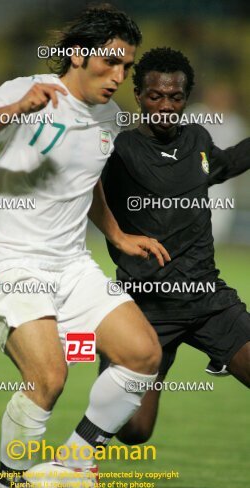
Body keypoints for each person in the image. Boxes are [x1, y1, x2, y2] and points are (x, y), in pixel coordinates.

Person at [0, 7, 171, 488]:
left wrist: (116, 234)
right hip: (11, 259)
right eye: (112, 63)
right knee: (48, 377)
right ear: (78, 54)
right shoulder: (27, 88)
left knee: (143, 355)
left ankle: (73, 463)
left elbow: (85, 180)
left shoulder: (110, 118)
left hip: (70, 263)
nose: (119, 77)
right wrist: (18, 109)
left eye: (127, 67)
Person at [101, 47, 250, 447]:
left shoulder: (198, 138)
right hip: (145, 306)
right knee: (133, 432)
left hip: (207, 299)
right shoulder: (117, 150)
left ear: (186, 97)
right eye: (155, 96)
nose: (166, 106)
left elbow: (224, 164)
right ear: (139, 95)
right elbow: (78, 192)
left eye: (175, 97)